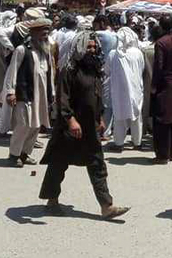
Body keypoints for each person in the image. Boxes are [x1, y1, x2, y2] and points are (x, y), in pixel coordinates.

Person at [38, 31, 130, 220]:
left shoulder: (94, 69)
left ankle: (107, 206)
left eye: (94, 46)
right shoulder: (69, 70)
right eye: (88, 47)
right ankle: (52, 199)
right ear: (79, 47)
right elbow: (62, 99)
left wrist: (100, 118)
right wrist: (70, 120)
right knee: (58, 164)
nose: (92, 49)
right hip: (70, 128)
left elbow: (96, 97)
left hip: (90, 127)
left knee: (97, 164)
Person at [4, 17, 54, 167]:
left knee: (36, 126)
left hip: (41, 95)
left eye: (47, 32)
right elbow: (11, 72)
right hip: (25, 93)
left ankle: (25, 154)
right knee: (23, 125)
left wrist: (52, 93)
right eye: (42, 32)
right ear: (33, 33)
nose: (45, 35)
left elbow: (49, 73)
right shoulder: (21, 50)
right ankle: (14, 155)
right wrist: (10, 92)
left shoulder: (46, 51)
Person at [151, 16, 172, 164]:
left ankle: (162, 155)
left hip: (164, 84)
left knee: (161, 119)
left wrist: (154, 85)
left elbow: (158, 66)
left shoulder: (160, 43)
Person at [107, 27, 145, 151]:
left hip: (119, 91)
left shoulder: (113, 54)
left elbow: (107, 71)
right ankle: (137, 142)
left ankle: (119, 143)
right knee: (136, 116)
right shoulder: (138, 53)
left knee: (119, 116)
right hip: (136, 90)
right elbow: (142, 68)